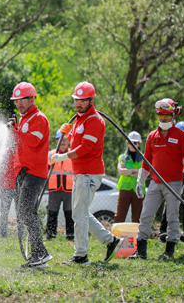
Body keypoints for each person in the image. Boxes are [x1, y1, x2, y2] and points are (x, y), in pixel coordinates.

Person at [52, 81, 123, 264]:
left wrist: (63, 156)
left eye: (83, 101)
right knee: (80, 213)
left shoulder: (95, 120)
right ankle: (111, 241)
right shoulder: (79, 119)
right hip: (81, 173)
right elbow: (76, 143)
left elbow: (85, 148)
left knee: (79, 214)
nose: (79, 103)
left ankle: (81, 255)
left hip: (89, 173)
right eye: (76, 100)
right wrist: (66, 135)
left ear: (91, 100)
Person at [128, 98, 184, 259]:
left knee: (172, 216)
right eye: (161, 115)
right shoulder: (152, 136)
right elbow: (147, 161)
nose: (164, 118)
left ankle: (169, 251)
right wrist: (140, 180)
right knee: (145, 214)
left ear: (173, 115)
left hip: (174, 183)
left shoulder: (181, 136)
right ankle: (141, 250)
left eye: (167, 115)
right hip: (155, 182)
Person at [7, 81, 53, 267]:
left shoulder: (39, 119)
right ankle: (38, 256)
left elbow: (33, 142)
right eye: (16, 101)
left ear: (32, 99)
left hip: (35, 173)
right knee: (26, 212)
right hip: (24, 172)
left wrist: (15, 131)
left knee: (26, 212)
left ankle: (40, 253)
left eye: (22, 100)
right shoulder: (24, 119)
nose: (19, 104)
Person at [159, 121, 184, 242]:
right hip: (174, 176)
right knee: (169, 204)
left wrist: (177, 159)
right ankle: (163, 231)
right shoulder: (171, 142)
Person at [46, 130, 74, 240]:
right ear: (56, 140)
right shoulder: (50, 154)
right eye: (60, 139)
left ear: (68, 141)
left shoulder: (72, 154)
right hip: (54, 189)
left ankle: (70, 235)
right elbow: (45, 170)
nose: (62, 142)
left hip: (69, 189)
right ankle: (50, 235)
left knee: (70, 213)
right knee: (52, 212)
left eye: (64, 140)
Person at [114, 131, 144, 223]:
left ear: (139, 144)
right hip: (124, 189)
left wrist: (128, 171)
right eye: (130, 142)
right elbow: (121, 171)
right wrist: (136, 171)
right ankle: (116, 236)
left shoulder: (144, 158)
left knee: (137, 217)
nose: (132, 145)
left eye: (135, 143)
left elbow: (144, 173)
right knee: (120, 216)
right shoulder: (122, 157)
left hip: (138, 189)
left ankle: (137, 237)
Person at [0, 144, 19, 238]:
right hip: (6, 186)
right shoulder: (3, 152)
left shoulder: (20, 150)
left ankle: (20, 234)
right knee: (4, 212)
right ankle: (3, 234)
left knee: (20, 212)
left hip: (18, 185)